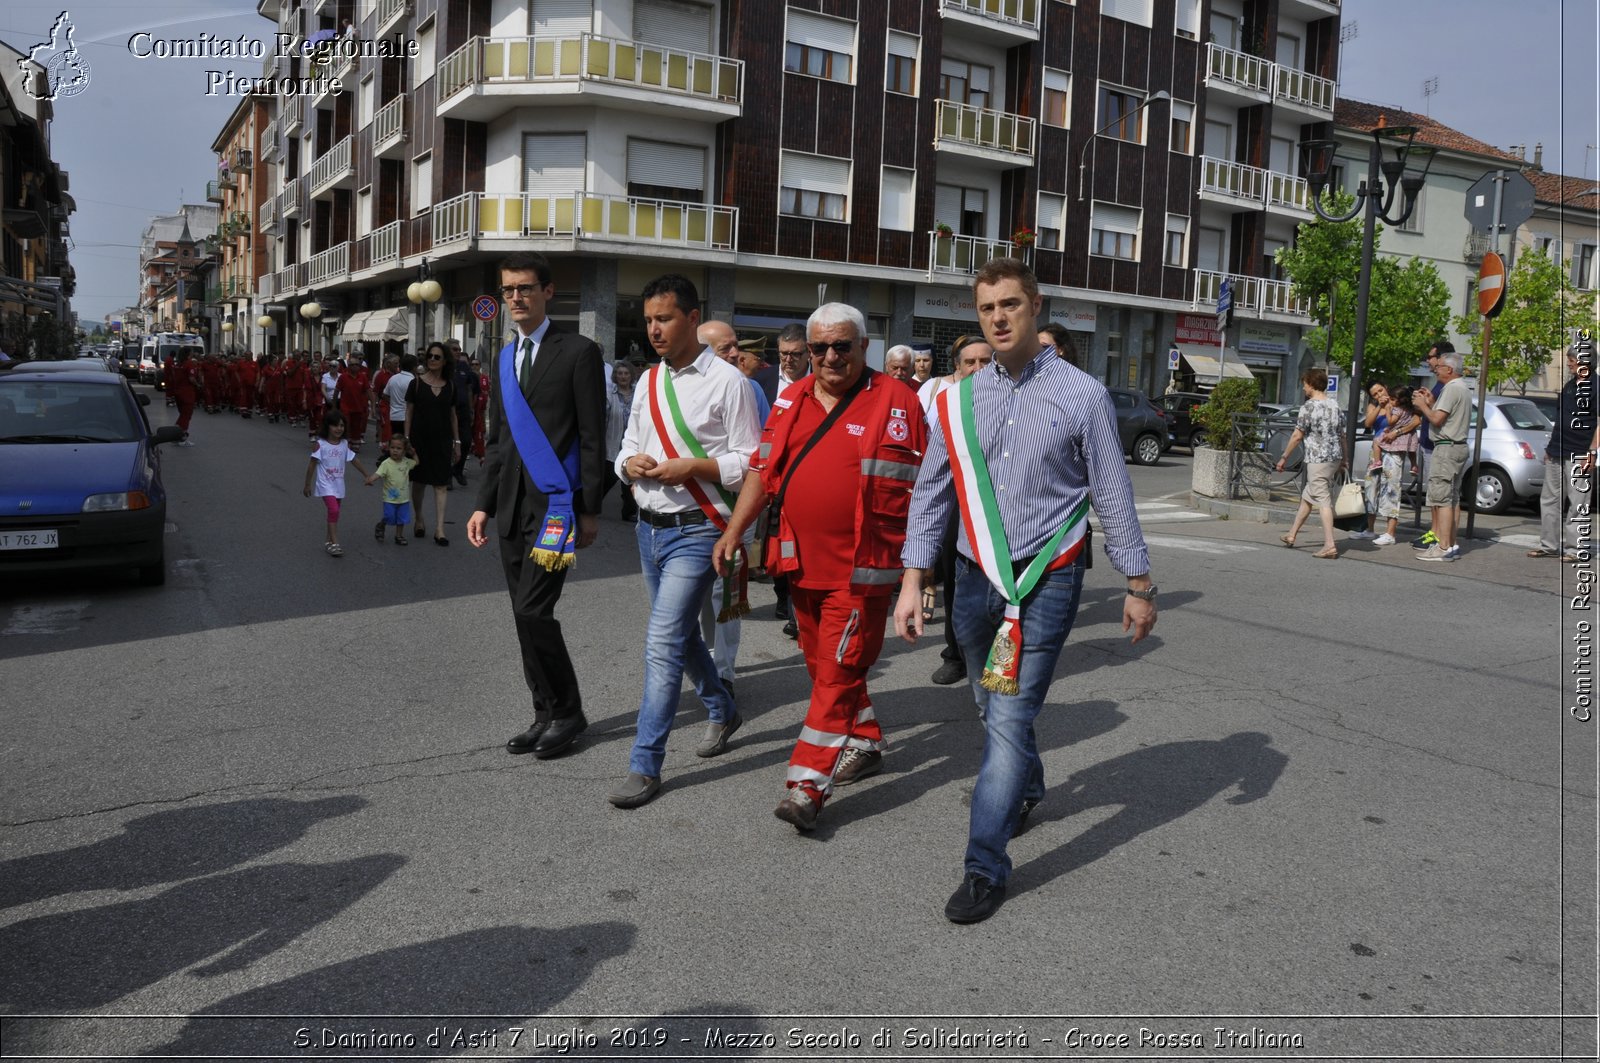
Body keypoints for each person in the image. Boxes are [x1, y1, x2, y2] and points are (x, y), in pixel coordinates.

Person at [894, 257, 1156, 924]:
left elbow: (1112, 493)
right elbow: (931, 491)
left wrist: (1137, 581)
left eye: (1010, 304)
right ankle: (1030, 783)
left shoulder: (1082, 394)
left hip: (1047, 577)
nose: (999, 317)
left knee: (1006, 717)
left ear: (1036, 307)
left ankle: (985, 865)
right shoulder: (956, 399)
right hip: (973, 574)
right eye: (987, 308)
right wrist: (913, 577)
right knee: (988, 701)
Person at [713, 303, 926, 831]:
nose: (830, 357)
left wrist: (919, 577)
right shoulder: (790, 401)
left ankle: (807, 785)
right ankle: (868, 739)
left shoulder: (897, 400)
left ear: (863, 347)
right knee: (823, 667)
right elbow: (762, 472)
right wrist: (735, 530)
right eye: (819, 348)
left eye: (842, 346)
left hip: (863, 572)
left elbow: (928, 492)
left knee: (835, 674)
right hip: (800, 567)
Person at [608, 274, 760, 810]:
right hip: (647, 530)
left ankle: (645, 764)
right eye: (649, 319)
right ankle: (722, 707)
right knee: (678, 638)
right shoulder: (648, 381)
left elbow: (749, 464)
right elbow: (628, 443)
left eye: (665, 318)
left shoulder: (729, 383)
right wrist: (630, 464)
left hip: (698, 529)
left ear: (693, 318)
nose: (654, 329)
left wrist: (693, 465)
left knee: (661, 644)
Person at [467, 251, 606, 760]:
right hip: (509, 506)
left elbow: (592, 437)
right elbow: (497, 439)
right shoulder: (503, 358)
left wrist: (590, 508)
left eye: (525, 288)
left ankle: (569, 711)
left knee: (534, 608)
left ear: (548, 291)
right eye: (508, 291)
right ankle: (543, 712)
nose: (516, 299)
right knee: (521, 614)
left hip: (557, 508)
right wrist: (482, 504)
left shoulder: (579, 352)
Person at [919, 335, 994, 686]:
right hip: (954, 504)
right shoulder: (947, 402)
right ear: (958, 369)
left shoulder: (1013, 401)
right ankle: (955, 655)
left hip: (998, 508)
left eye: (985, 361)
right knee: (953, 580)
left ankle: (997, 656)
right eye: (970, 363)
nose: (978, 368)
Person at [698, 319, 764, 696]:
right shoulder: (673, 386)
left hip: (733, 509)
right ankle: (701, 660)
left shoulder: (749, 388)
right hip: (689, 511)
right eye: (725, 349)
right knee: (697, 596)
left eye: (736, 346)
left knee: (726, 595)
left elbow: (761, 453)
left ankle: (723, 673)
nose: (736, 354)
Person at [1529, 338, 1597, 559]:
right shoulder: (1569, 385)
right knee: (1549, 498)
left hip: (1580, 452)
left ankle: (1574, 549)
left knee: (1578, 503)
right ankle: (1548, 545)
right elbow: (1559, 419)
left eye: (1571, 360)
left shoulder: (1597, 386)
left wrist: (1592, 452)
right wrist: (1550, 448)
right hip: (1558, 450)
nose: (1568, 363)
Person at [1273, 368, 1347, 559]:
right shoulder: (1334, 405)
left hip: (1318, 458)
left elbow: (1298, 435)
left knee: (1323, 500)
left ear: (1312, 384)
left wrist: (1284, 457)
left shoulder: (1309, 406)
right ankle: (1292, 534)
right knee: (1308, 495)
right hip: (1334, 456)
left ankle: (1330, 545)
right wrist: (1345, 459)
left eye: (1305, 384)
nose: (1304, 387)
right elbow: (1342, 435)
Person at [1411, 349, 1472, 562]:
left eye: (1438, 368)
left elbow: (1437, 419)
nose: (1435, 371)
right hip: (1457, 446)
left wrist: (1422, 406)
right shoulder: (1463, 388)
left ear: (1449, 369)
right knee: (1452, 497)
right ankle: (1451, 544)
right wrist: (1430, 403)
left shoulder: (1452, 388)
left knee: (1442, 497)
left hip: (1446, 447)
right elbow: (1445, 415)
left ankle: (1443, 546)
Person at [404, 341, 461, 546]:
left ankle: (440, 528)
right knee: (419, 482)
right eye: (430, 356)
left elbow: (453, 416)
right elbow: (409, 412)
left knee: (440, 484)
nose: (432, 360)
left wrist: (457, 442)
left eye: (437, 357)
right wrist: (406, 439)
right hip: (419, 440)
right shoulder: (416, 383)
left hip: (442, 440)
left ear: (445, 360)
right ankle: (419, 518)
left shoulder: (451, 385)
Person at [303, 409, 376, 558]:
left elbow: (354, 460)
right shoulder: (320, 444)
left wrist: (366, 474)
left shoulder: (343, 444)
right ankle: (335, 543)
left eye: (341, 426)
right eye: (335, 425)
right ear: (327, 426)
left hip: (338, 485)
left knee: (334, 512)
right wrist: (307, 484)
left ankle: (328, 541)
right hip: (325, 485)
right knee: (334, 510)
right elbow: (311, 465)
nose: (339, 429)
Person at [1365, 384, 1420, 546]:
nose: (1379, 394)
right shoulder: (1376, 405)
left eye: (1380, 390)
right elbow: (1368, 423)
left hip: (1395, 449)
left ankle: (1390, 533)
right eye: (1374, 394)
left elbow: (1416, 420)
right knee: (1371, 487)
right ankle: (1369, 529)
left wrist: (1397, 432)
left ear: (1386, 388)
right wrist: (1379, 406)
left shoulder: (1399, 403)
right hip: (1377, 449)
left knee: (1391, 488)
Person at [602, 360, 639, 522]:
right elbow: (603, 416)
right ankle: (587, 507)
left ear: (631, 376)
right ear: (615, 376)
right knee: (607, 478)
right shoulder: (610, 394)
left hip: (634, 442)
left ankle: (629, 512)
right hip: (613, 441)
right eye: (620, 373)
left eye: (626, 373)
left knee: (629, 478)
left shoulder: (638, 392)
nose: (623, 376)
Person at [372, 434, 418, 545]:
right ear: (389, 448)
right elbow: (378, 473)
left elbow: (417, 462)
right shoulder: (386, 463)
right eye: (392, 448)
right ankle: (381, 525)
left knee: (401, 519)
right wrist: (371, 479)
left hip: (404, 498)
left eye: (399, 448)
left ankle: (399, 536)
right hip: (389, 498)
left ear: (404, 450)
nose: (395, 451)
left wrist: (414, 453)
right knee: (389, 516)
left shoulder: (406, 462)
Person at [449, 341, 480, 486]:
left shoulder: (463, 366)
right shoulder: (442, 366)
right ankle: (447, 476)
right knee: (448, 444)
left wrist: (471, 408)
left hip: (463, 410)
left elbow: (469, 388)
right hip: (448, 410)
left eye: (460, 350)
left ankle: (458, 470)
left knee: (466, 441)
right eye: (455, 349)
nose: (458, 352)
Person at [336, 352, 370, 450]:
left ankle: (355, 443)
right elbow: (336, 391)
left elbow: (368, 391)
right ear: (348, 366)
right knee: (346, 426)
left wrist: (371, 405)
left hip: (358, 407)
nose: (354, 367)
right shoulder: (343, 377)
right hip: (345, 407)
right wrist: (334, 406)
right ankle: (345, 444)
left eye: (356, 365)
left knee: (357, 427)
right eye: (352, 365)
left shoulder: (363, 377)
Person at [169, 348, 199, 446]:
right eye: (191, 352)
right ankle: (181, 437)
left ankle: (175, 434)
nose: (193, 353)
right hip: (187, 393)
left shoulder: (178, 364)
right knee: (186, 415)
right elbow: (191, 378)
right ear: (188, 354)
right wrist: (198, 384)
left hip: (178, 392)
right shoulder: (189, 364)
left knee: (182, 415)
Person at [383, 354, 416, 440]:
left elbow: (385, 395)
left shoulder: (393, 378)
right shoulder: (413, 381)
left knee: (397, 441)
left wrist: (393, 402)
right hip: (408, 418)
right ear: (414, 367)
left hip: (394, 416)